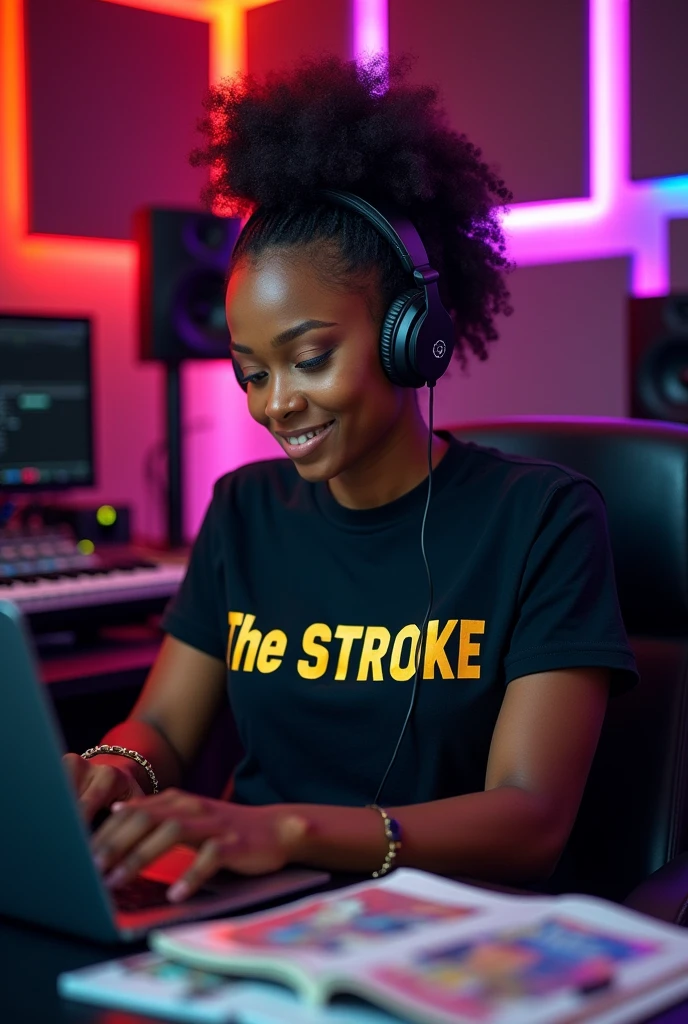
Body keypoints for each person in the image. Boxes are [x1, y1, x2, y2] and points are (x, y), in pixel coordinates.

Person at [65, 55, 638, 904]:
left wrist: (288, 829)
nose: (277, 404)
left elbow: (531, 821)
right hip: (238, 908)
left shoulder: (542, 520)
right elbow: (162, 729)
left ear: (415, 333)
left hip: (442, 935)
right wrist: (118, 767)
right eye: (252, 372)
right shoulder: (244, 511)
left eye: (309, 358)